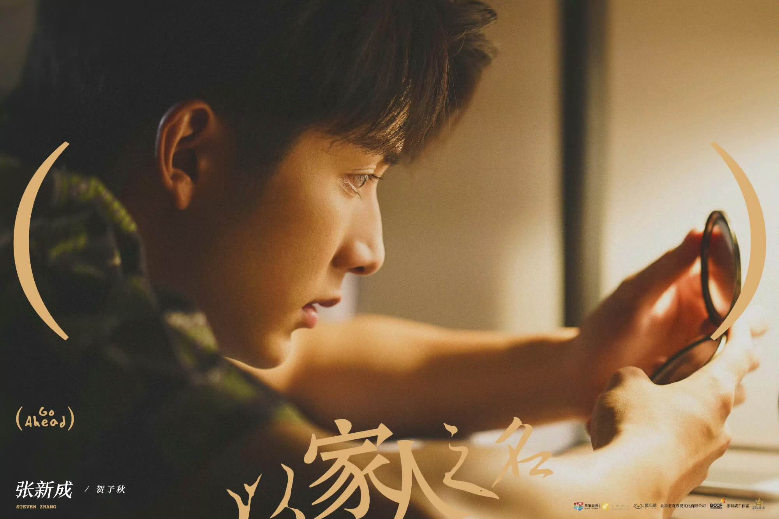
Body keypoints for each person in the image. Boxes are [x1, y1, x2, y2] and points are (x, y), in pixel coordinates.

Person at [0, 1, 765, 518]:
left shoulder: (65, 248)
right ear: (189, 153)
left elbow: (295, 369)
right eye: (359, 176)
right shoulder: (42, 275)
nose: (370, 251)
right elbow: (376, 502)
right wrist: (650, 458)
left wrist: (576, 366)